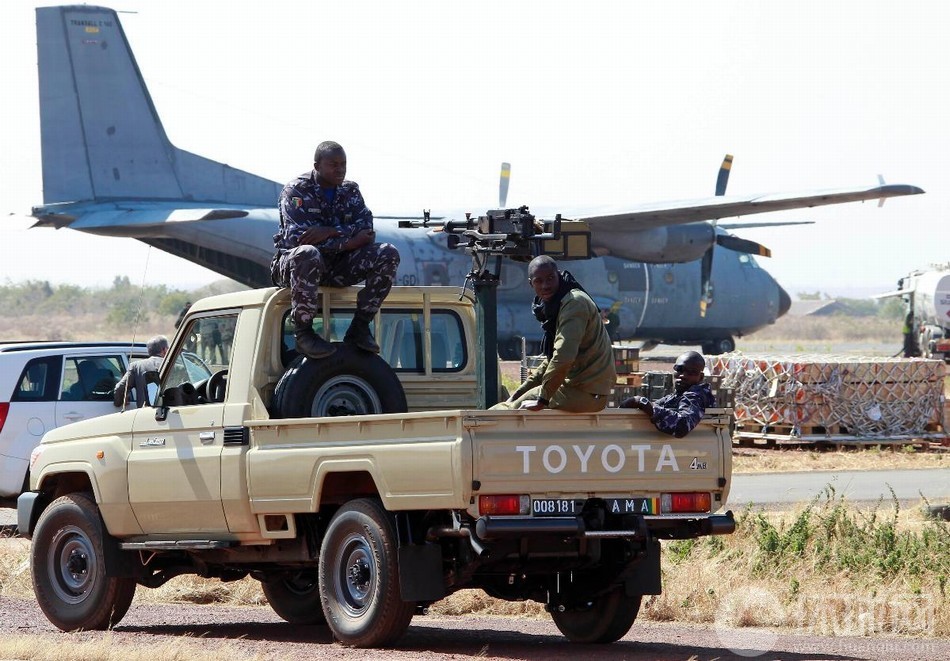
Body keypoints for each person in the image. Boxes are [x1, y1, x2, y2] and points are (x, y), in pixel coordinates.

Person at [271, 141, 400, 359]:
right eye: (333, 164)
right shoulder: (297, 191)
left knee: (388, 253)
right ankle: (303, 333)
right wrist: (348, 241)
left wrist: (329, 231)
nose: (340, 169)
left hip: (337, 265)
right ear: (317, 165)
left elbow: (367, 230)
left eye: (343, 164)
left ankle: (359, 327)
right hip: (296, 267)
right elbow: (297, 239)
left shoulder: (350, 190)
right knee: (308, 253)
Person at [492, 255, 616, 412]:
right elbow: (551, 360)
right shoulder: (558, 305)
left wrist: (542, 399)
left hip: (584, 393)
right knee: (513, 403)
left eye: (550, 278)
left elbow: (563, 357)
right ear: (531, 284)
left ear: (559, 275)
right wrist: (516, 395)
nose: (545, 285)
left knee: (506, 412)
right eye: (539, 281)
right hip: (583, 391)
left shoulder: (574, 303)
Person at [620, 350, 714, 437]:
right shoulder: (676, 396)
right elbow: (656, 405)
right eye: (679, 369)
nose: (682, 375)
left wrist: (642, 402)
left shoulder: (696, 395)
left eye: (691, 372)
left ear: (701, 377)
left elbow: (682, 426)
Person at [113, 335, 169, 408]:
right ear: (164, 350)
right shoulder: (174, 365)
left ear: (149, 350)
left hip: (144, 414)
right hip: (171, 414)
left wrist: (119, 402)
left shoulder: (136, 366)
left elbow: (119, 388)